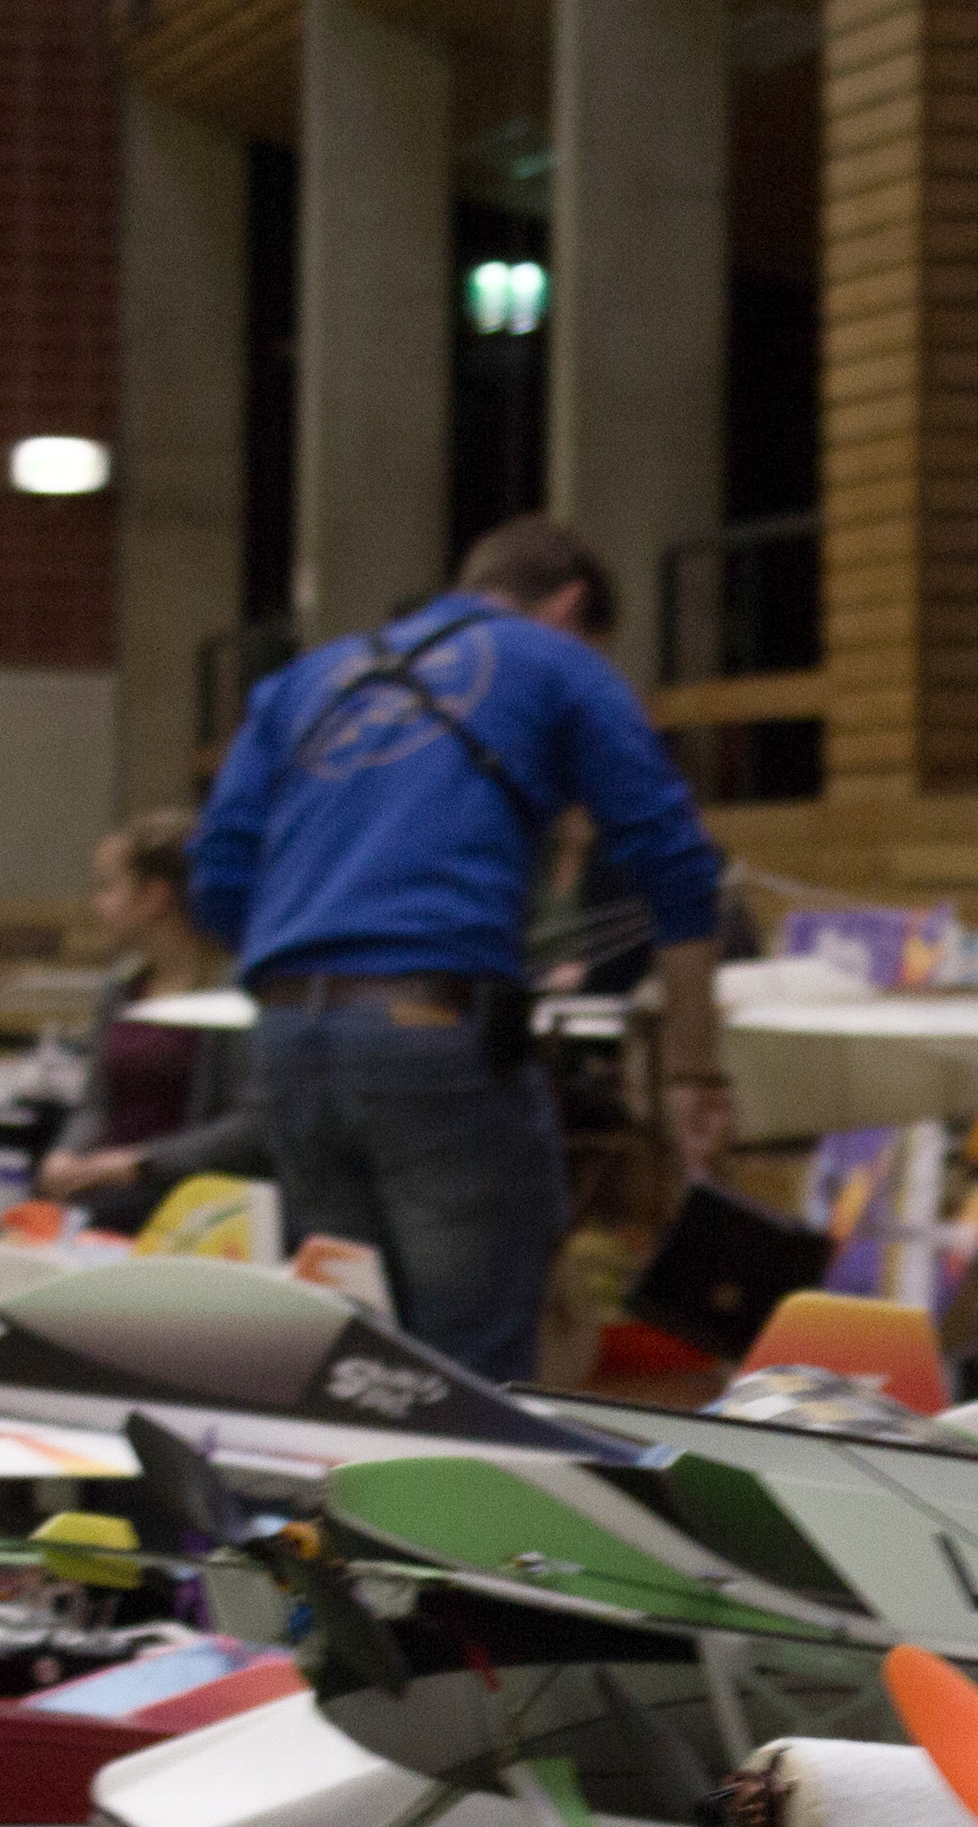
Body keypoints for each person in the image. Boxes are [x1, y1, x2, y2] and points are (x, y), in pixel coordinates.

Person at [186, 515, 732, 1382]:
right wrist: (694, 1070)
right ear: (572, 604)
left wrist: (313, 970)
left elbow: (216, 874)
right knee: (470, 1365)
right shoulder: (557, 661)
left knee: (351, 1361)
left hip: (290, 1035)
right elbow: (674, 861)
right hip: (432, 1023)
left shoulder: (301, 682)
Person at [33, 814, 265, 1221]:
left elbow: (250, 1125)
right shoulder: (120, 989)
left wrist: (139, 1163)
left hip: (188, 1201)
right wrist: (65, 1156)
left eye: (107, 887)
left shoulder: (237, 991)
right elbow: (95, 1104)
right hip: (107, 1190)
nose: (97, 904)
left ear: (155, 896)